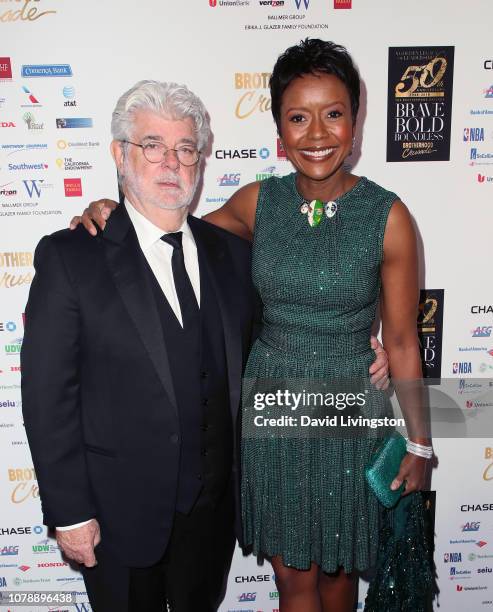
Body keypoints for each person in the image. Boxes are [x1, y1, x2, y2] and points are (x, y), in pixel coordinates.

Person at [23, 77, 390, 612]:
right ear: (120, 155)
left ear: (201, 160)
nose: (171, 162)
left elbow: (291, 327)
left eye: (186, 148)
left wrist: (366, 346)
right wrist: (70, 513)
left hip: (212, 516)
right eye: (152, 145)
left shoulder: (233, 256)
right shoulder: (71, 258)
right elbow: (45, 397)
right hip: (116, 518)